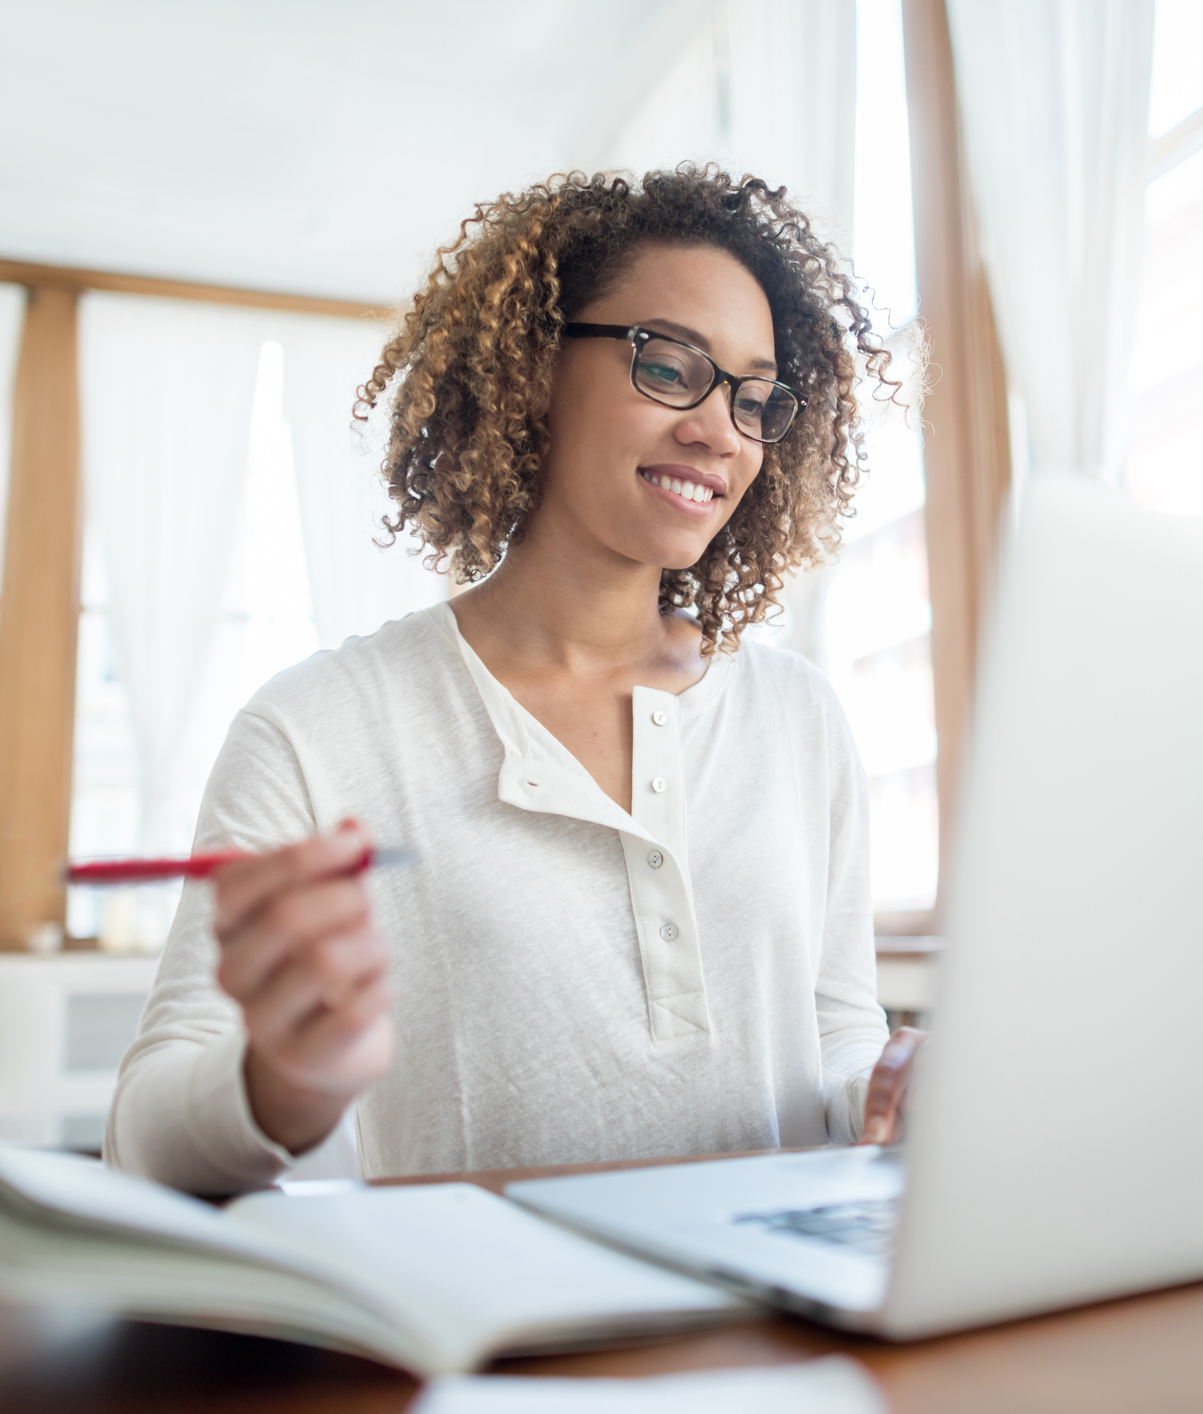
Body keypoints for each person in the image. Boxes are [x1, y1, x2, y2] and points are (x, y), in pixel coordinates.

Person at [106, 167, 924, 1195]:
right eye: (668, 365)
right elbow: (140, 1139)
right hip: (488, 1344)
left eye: (753, 396)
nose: (718, 430)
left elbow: (834, 1033)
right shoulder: (318, 729)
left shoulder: (798, 718)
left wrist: (891, 1088)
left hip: (781, 1330)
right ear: (534, 367)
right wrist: (277, 1083)